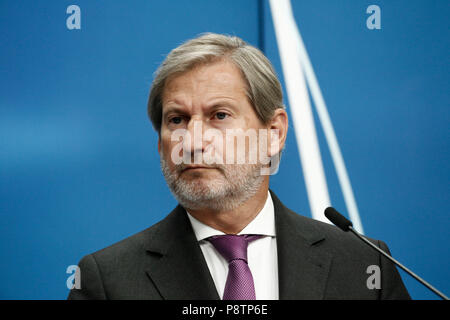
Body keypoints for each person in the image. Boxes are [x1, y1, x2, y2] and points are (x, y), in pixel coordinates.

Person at [68, 33, 410, 300]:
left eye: (219, 115)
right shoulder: (108, 280)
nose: (193, 142)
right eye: (177, 119)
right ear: (160, 142)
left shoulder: (365, 265)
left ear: (273, 133)